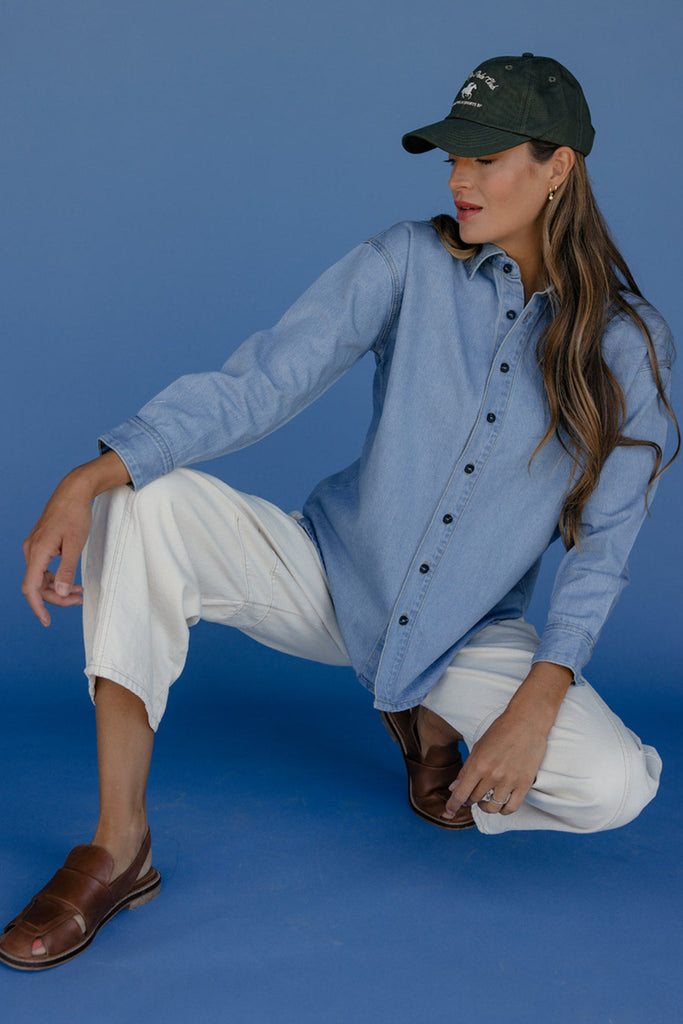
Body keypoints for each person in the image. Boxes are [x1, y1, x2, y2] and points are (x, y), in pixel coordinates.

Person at [1, 52, 677, 972]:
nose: (457, 178)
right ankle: (119, 845)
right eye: (451, 157)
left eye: (484, 157)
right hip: (328, 576)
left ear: (558, 167)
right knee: (143, 500)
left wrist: (533, 700)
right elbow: (263, 384)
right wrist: (91, 474)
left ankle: (427, 714)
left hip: (463, 636)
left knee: (613, 786)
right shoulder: (408, 260)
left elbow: (603, 546)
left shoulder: (626, 346)